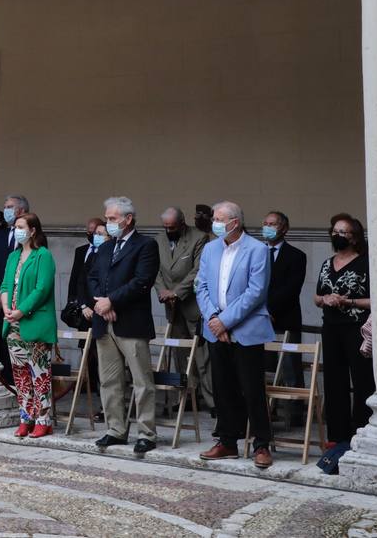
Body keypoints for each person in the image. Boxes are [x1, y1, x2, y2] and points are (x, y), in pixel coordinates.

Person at [194, 201, 276, 469]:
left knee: (251, 388)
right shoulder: (209, 249)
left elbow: (255, 292)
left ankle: (261, 443)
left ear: (235, 222)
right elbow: (201, 286)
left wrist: (226, 322)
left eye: (219, 219)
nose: (215, 222)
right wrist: (214, 320)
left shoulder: (257, 250)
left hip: (246, 329)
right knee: (223, 387)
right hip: (215, 329)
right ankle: (227, 441)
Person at [88, 196, 159, 455]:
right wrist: (101, 304)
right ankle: (115, 430)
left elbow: (142, 282)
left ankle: (146, 433)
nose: (109, 223)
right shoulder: (106, 248)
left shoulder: (146, 245)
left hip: (131, 322)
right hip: (104, 323)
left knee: (141, 381)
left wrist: (111, 302)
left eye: (112, 218)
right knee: (108, 381)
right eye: (107, 218)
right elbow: (93, 277)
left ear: (128, 219)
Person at [315, 214, 374, 448]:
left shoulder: (366, 263)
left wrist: (348, 302)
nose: (337, 236)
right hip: (331, 328)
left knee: (362, 380)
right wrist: (326, 299)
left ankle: (361, 430)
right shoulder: (326, 263)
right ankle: (337, 435)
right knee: (333, 379)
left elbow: (376, 300)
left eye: (343, 232)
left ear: (354, 237)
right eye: (335, 231)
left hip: (356, 329)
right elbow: (316, 296)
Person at [0, 212, 58, 437]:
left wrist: (21, 311)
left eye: (21, 226)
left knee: (39, 373)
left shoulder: (43, 255)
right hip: (13, 324)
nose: (17, 230)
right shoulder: (13, 256)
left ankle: (43, 419)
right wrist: (6, 308)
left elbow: (42, 289)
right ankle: (26, 417)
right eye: (15, 227)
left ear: (33, 230)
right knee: (20, 375)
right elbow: (5, 285)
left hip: (34, 322)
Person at [156, 206, 213, 411]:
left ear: (181, 224)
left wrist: (177, 292)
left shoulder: (199, 237)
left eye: (172, 227)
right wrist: (163, 291)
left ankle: (212, 399)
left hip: (192, 304)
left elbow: (198, 269)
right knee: (180, 353)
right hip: (171, 307)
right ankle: (187, 396)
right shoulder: (159, 239)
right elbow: (156, 269)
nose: (168, 231)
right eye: (165, 227)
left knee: (202, 355)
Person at [262, 210, 306, 391]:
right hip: (260, 320)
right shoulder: (256, 252)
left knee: (290, 370)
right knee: (265, 370)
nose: (267, 227)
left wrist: (270, 310)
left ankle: (294, 415)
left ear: (284, 228)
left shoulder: (296, 255)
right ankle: (267, 412)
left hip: (286, 318)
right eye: (265, 223)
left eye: (272, 224)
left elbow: (291, 289)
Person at [66, 218, 107, 413]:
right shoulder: (89, 255)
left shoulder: (112, 254)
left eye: (99, 233)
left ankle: (105, 404)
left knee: (103, 362)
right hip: (87, 314)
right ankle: (94, 396)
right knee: (88, 356)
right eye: (92, 233)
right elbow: (80, 281)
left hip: (105, 313)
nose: (94, 237)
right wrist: (82, 305)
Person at [0, 194, 30, 367]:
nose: (5, 210)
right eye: (5, 206)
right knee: (3, 343)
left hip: (24, 300)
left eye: (10, 207)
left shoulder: (33, 237)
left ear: (22, 210)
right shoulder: (0, 234)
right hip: (2, 297)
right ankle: (7, 379)